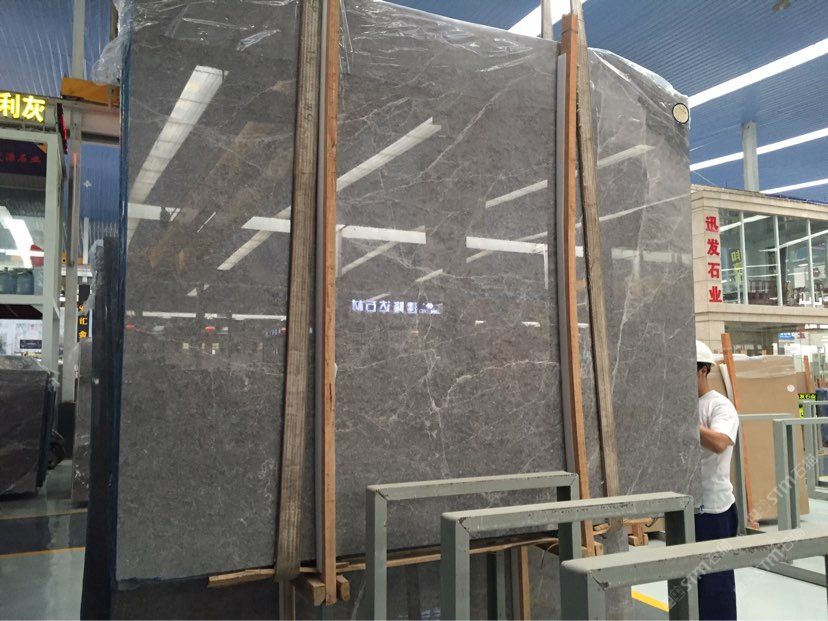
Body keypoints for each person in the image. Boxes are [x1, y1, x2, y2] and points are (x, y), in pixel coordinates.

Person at [695, 340, 739, 620]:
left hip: (715, 511)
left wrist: (685, 423)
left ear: (704, 371)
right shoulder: (680, 405)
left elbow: (720, 442)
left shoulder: (719, 406)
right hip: (687, 509)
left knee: (716, 586)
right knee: (688, 583)